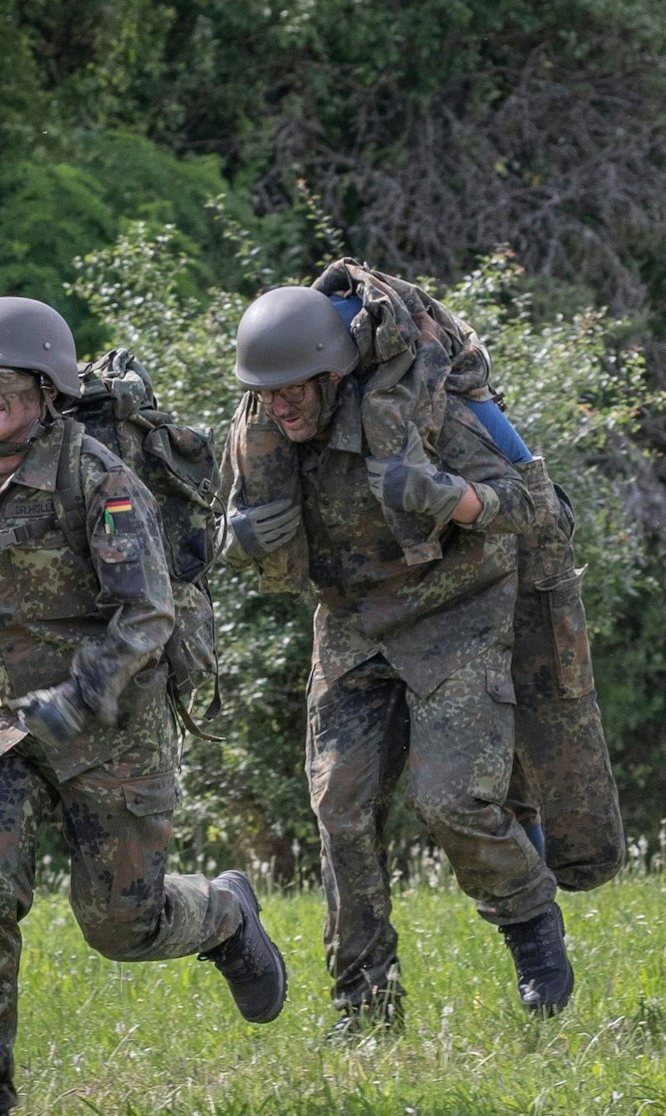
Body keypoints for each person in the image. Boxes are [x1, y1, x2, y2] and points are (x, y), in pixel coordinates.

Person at [0, 296, 286, 1116]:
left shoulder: (98, 479)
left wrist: (81, 694)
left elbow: (147, 613)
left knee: (121, 925)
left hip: (112, 735)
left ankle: (225, 915)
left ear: (48, 387)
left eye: (6, 380)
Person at [219, 284, 571, 1042]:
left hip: (458, 607)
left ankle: (533, 930)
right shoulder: (260, 432)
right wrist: (242, 537)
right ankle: (363, 1004)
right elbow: (221, 526)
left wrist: (446, 495)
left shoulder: (427, 409)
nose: (280, 409)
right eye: (266, 396)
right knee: (339, 807)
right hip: (352, 619)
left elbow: (539, 508)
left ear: (331, 374)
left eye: (291, 393)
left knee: (451, 800)